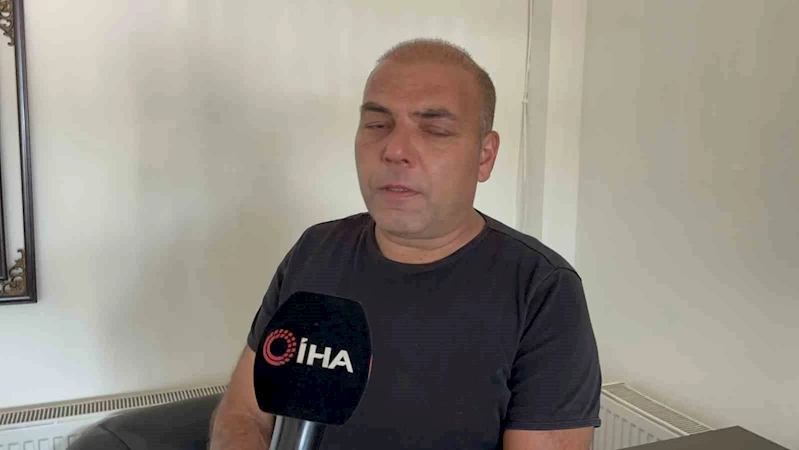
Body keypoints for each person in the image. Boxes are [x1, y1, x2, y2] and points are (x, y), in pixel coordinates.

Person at [209, 38, 602, 450]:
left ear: (484, 156)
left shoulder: (542, 290)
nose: (394, 150)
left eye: (435, 130)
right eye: (378, 125)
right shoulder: (315, 251)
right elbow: (243, 414)